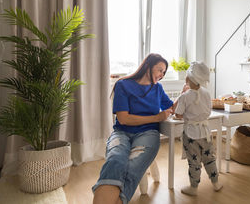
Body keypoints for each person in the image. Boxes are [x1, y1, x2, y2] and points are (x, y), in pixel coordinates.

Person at [92, 53, 174, 204]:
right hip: (122, 132)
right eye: (159, 70)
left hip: (148, 133)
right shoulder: (123, 85)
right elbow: (124, 118)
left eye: (164, 72)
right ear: (148, 67)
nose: (162, 75)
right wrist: (157, 118)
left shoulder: (158, 88)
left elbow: (172, 107)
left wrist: (186, 94)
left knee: (132, 166)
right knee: (115, 159)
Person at [174, 61, 223, 196]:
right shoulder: (207, 93)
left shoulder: (185, 96)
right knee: (209, 158)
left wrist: (181, 96)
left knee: (194, 161)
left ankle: (194, 188)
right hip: (206, 132)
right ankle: (216, 183)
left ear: (188, 78)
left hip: (191, 135)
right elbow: (207, 111)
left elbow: (178, 114)